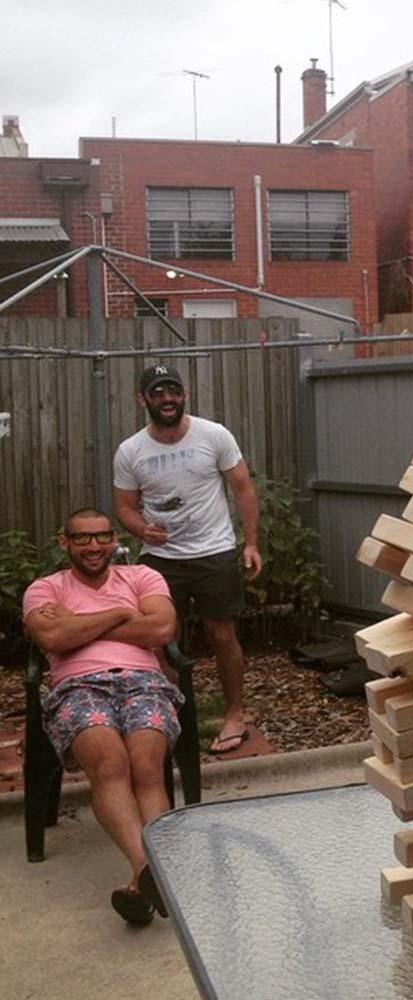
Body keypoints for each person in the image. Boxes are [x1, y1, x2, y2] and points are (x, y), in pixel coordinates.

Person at [22, 508, 179, 925]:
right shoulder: (44, 589)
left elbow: (162, 629)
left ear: (114, 540)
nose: (93, 547)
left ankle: (142, 881)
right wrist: (121, 614)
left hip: (145, 682)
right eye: (82, 538)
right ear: (64, 542)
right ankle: (156, 871)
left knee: (146, 766)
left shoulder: (143, 577)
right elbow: (53, 636)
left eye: (102, 537)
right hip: (78, 686)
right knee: (111, 764)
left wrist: (81, 624)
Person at [113, 364, 262, 755]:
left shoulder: (213, 436)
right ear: (142, 399)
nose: (167, 399)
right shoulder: (131, 451)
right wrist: (142, 529)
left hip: (214, 552)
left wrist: (250, 544)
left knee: (221, 634)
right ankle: (170, 713)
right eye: (158, 393)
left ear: (185, 394)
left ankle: (234, 714)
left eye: (173, 391)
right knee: (162, 639)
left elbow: (243, 490)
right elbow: (125, 508)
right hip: (160, 560)